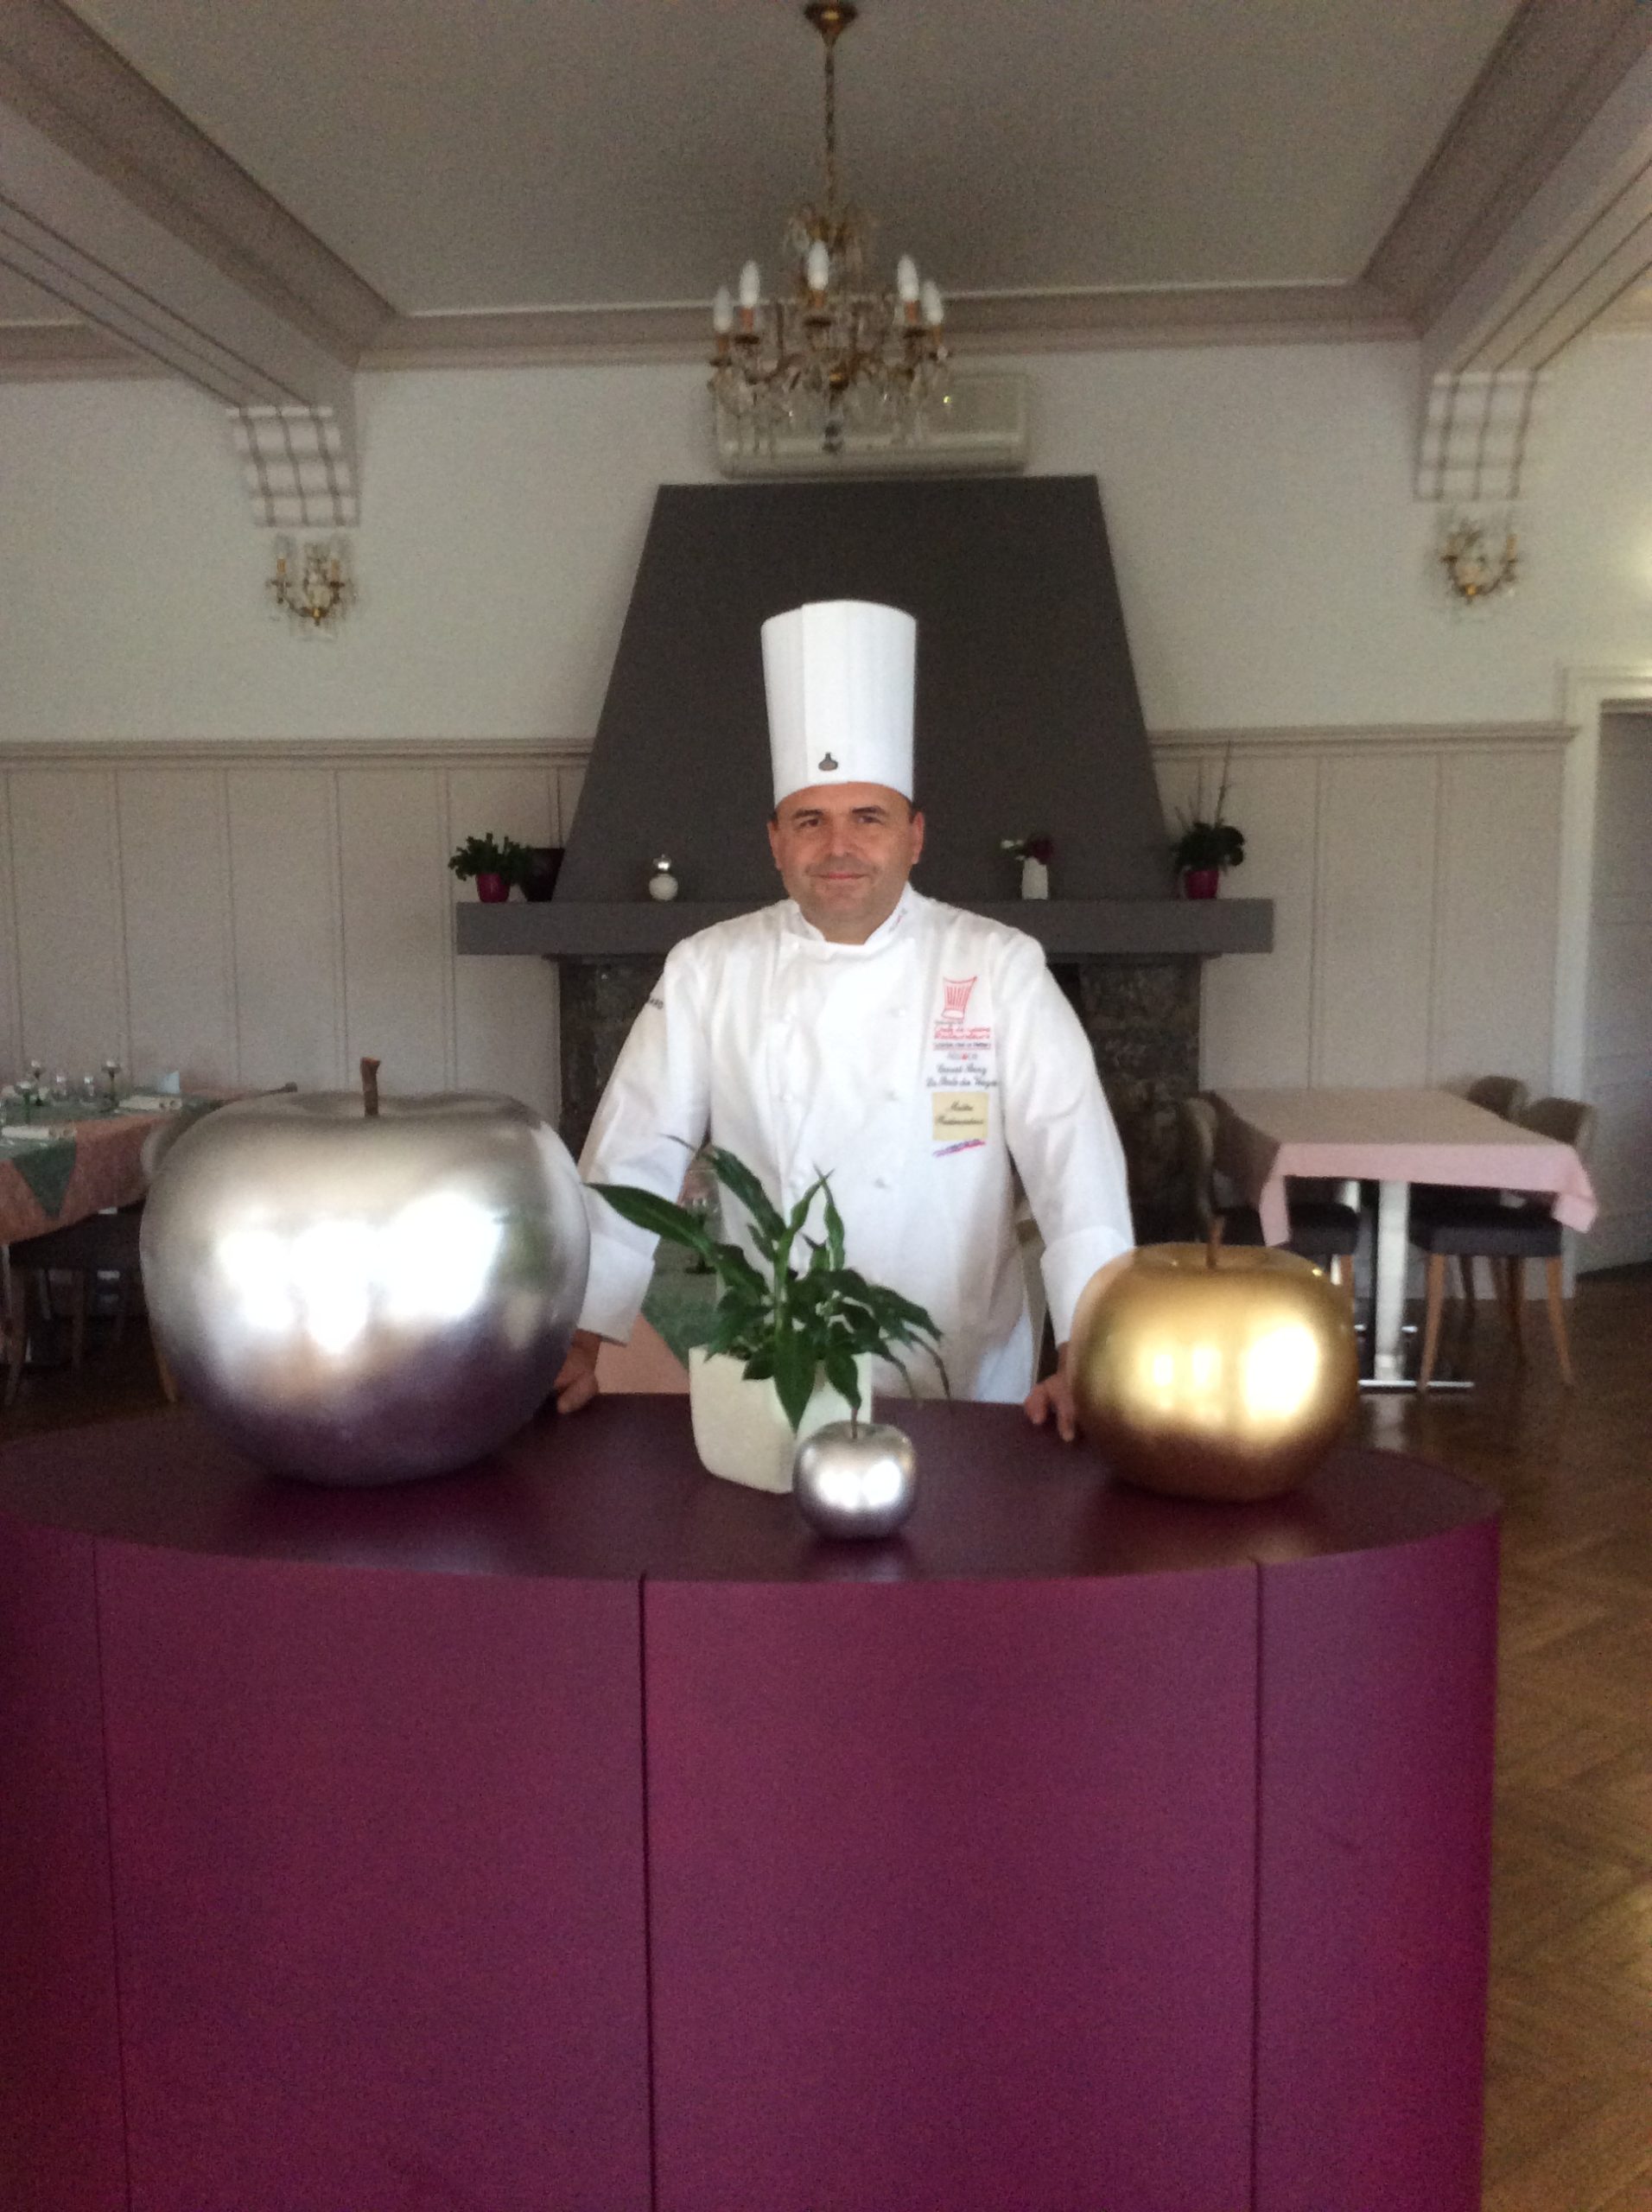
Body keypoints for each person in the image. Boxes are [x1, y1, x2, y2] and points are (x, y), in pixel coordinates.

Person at [553, 598, 1134, 1437]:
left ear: (914, 836)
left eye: (868, 817)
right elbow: (632, 1158)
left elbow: (1072, 1161)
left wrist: (1091, 1348)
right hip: (779, 1372)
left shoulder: (997, 966)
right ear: (775, 841)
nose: (838, 847)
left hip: (965, 1380)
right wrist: (579, 1337)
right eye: (810, 821)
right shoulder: (709, 969)